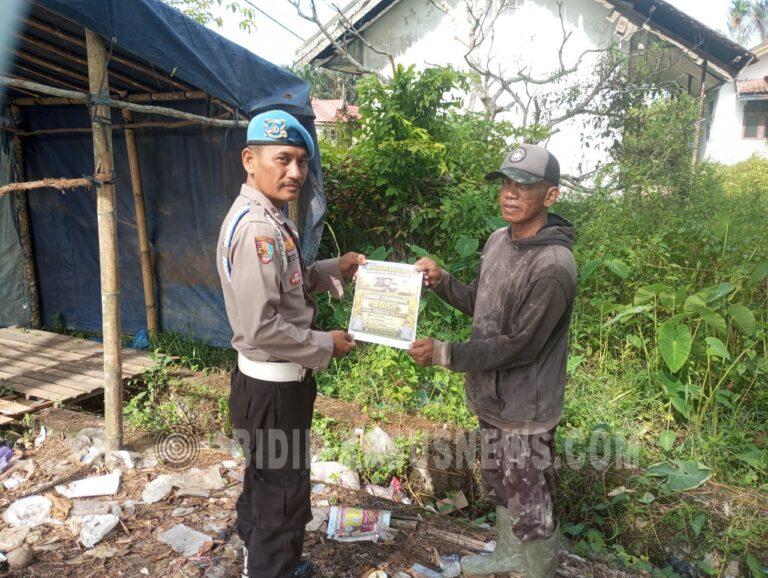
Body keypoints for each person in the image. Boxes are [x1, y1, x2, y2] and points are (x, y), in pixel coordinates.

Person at [407, 143, 577, 578]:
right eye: (505, 183)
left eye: (524, 185)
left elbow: (521, 345)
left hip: (525, 407)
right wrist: (442, 281)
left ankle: (538, 571)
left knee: (530, 498)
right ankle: (507, 555)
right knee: (500, 485)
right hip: (490, 396)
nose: (510, 193)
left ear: (551, 195)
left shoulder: (554, 265)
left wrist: (445, 353)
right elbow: (480, 305)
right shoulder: (498, 240)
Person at [216, 109, 366, 578]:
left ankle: (261, 561)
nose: (295, 172)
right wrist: (326, 344)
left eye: (301, 161)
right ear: (250, 160)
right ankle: (270, 567)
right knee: (281, 495)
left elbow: (290, 282)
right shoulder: (259, 229)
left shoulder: (267, 216)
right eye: (283, 159)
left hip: (267, 387)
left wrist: (336, 268)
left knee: (267, 481)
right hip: (274, 388)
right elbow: (262, 327)